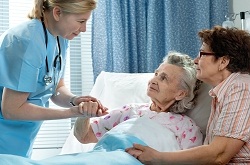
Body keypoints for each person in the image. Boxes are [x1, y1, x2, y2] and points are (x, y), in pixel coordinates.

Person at [126, 26, 250, 164]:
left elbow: (219, 155)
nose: (196, 60)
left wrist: (157, 157)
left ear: (223, 62)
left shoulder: (241, 87)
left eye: (202, 54)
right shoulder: (221, 93)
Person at [0, 0, 107, 158]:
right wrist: (71, 113)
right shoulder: (27, 41)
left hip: (22, 139)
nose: (83, 29)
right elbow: (11, 110)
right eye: (81, 21)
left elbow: (55, 87)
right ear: (57, 13)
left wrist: (75, 99)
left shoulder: (59, 37)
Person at [73, 51, 203, 152]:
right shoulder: (129, 111)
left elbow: (192, 161)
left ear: (180, 93)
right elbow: (84, 137)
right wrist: (84, 115)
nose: (153, 80)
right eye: (156, 74)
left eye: (164, 78)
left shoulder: (186, 127)